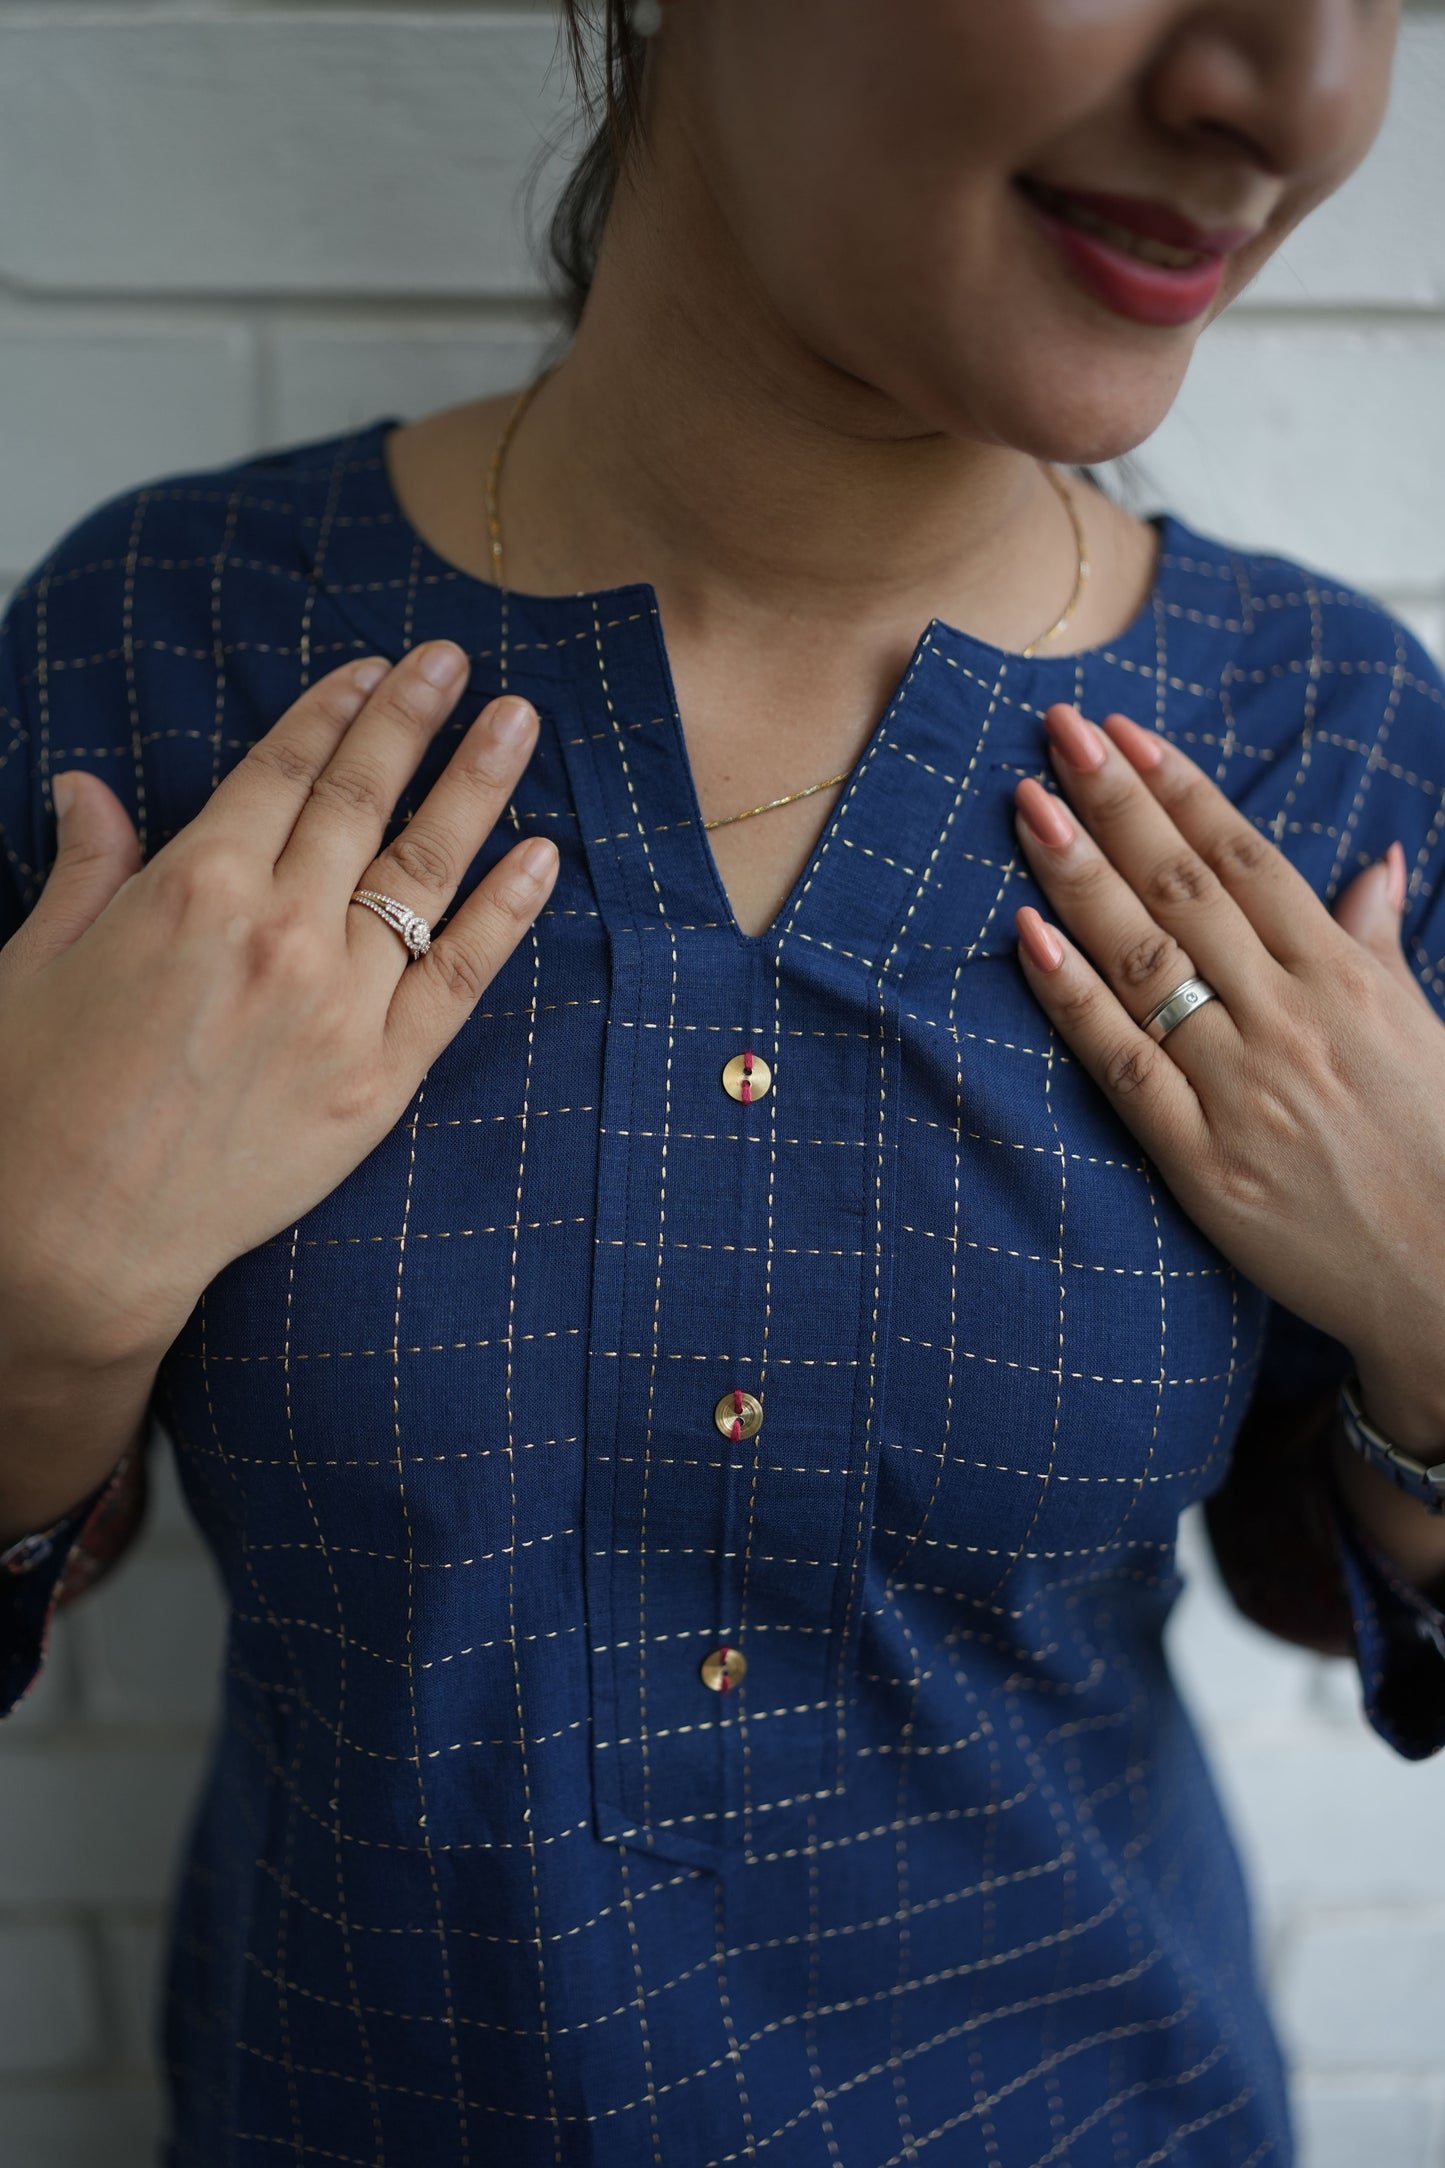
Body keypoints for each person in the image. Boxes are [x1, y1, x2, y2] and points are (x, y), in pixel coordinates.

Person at [2, 0, 1443, 2159]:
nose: (1303, 96)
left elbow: (1321, 1589)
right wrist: (35, 1300)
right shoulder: (165, 646)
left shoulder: (1324, 739)